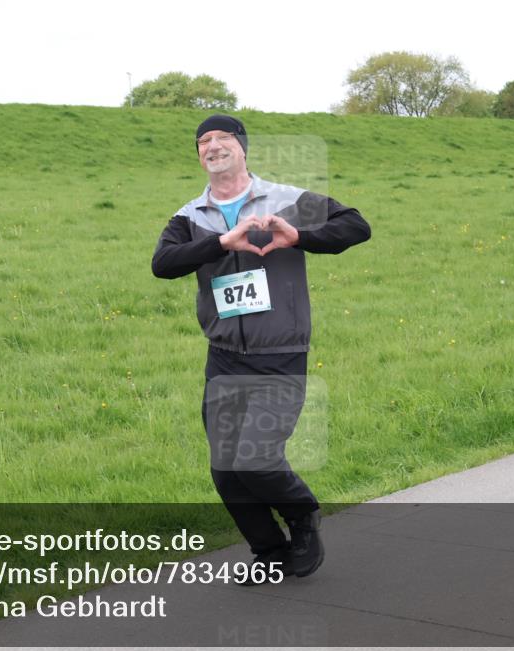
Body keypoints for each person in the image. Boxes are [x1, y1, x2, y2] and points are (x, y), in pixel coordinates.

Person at [151, 114, 371, 582]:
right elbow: (162, 264)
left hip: (281, 353)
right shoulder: (189, 216)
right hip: (224, 356)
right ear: (199, 155)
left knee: (256, 456)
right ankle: (268, 554)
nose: (212, 145)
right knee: (226, 469)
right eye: (203, 141)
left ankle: (303, 516)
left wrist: (301, 236)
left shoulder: (287, 200)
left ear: (243, 147)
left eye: (222, 138)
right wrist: (217, 243)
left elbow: (356, 226)